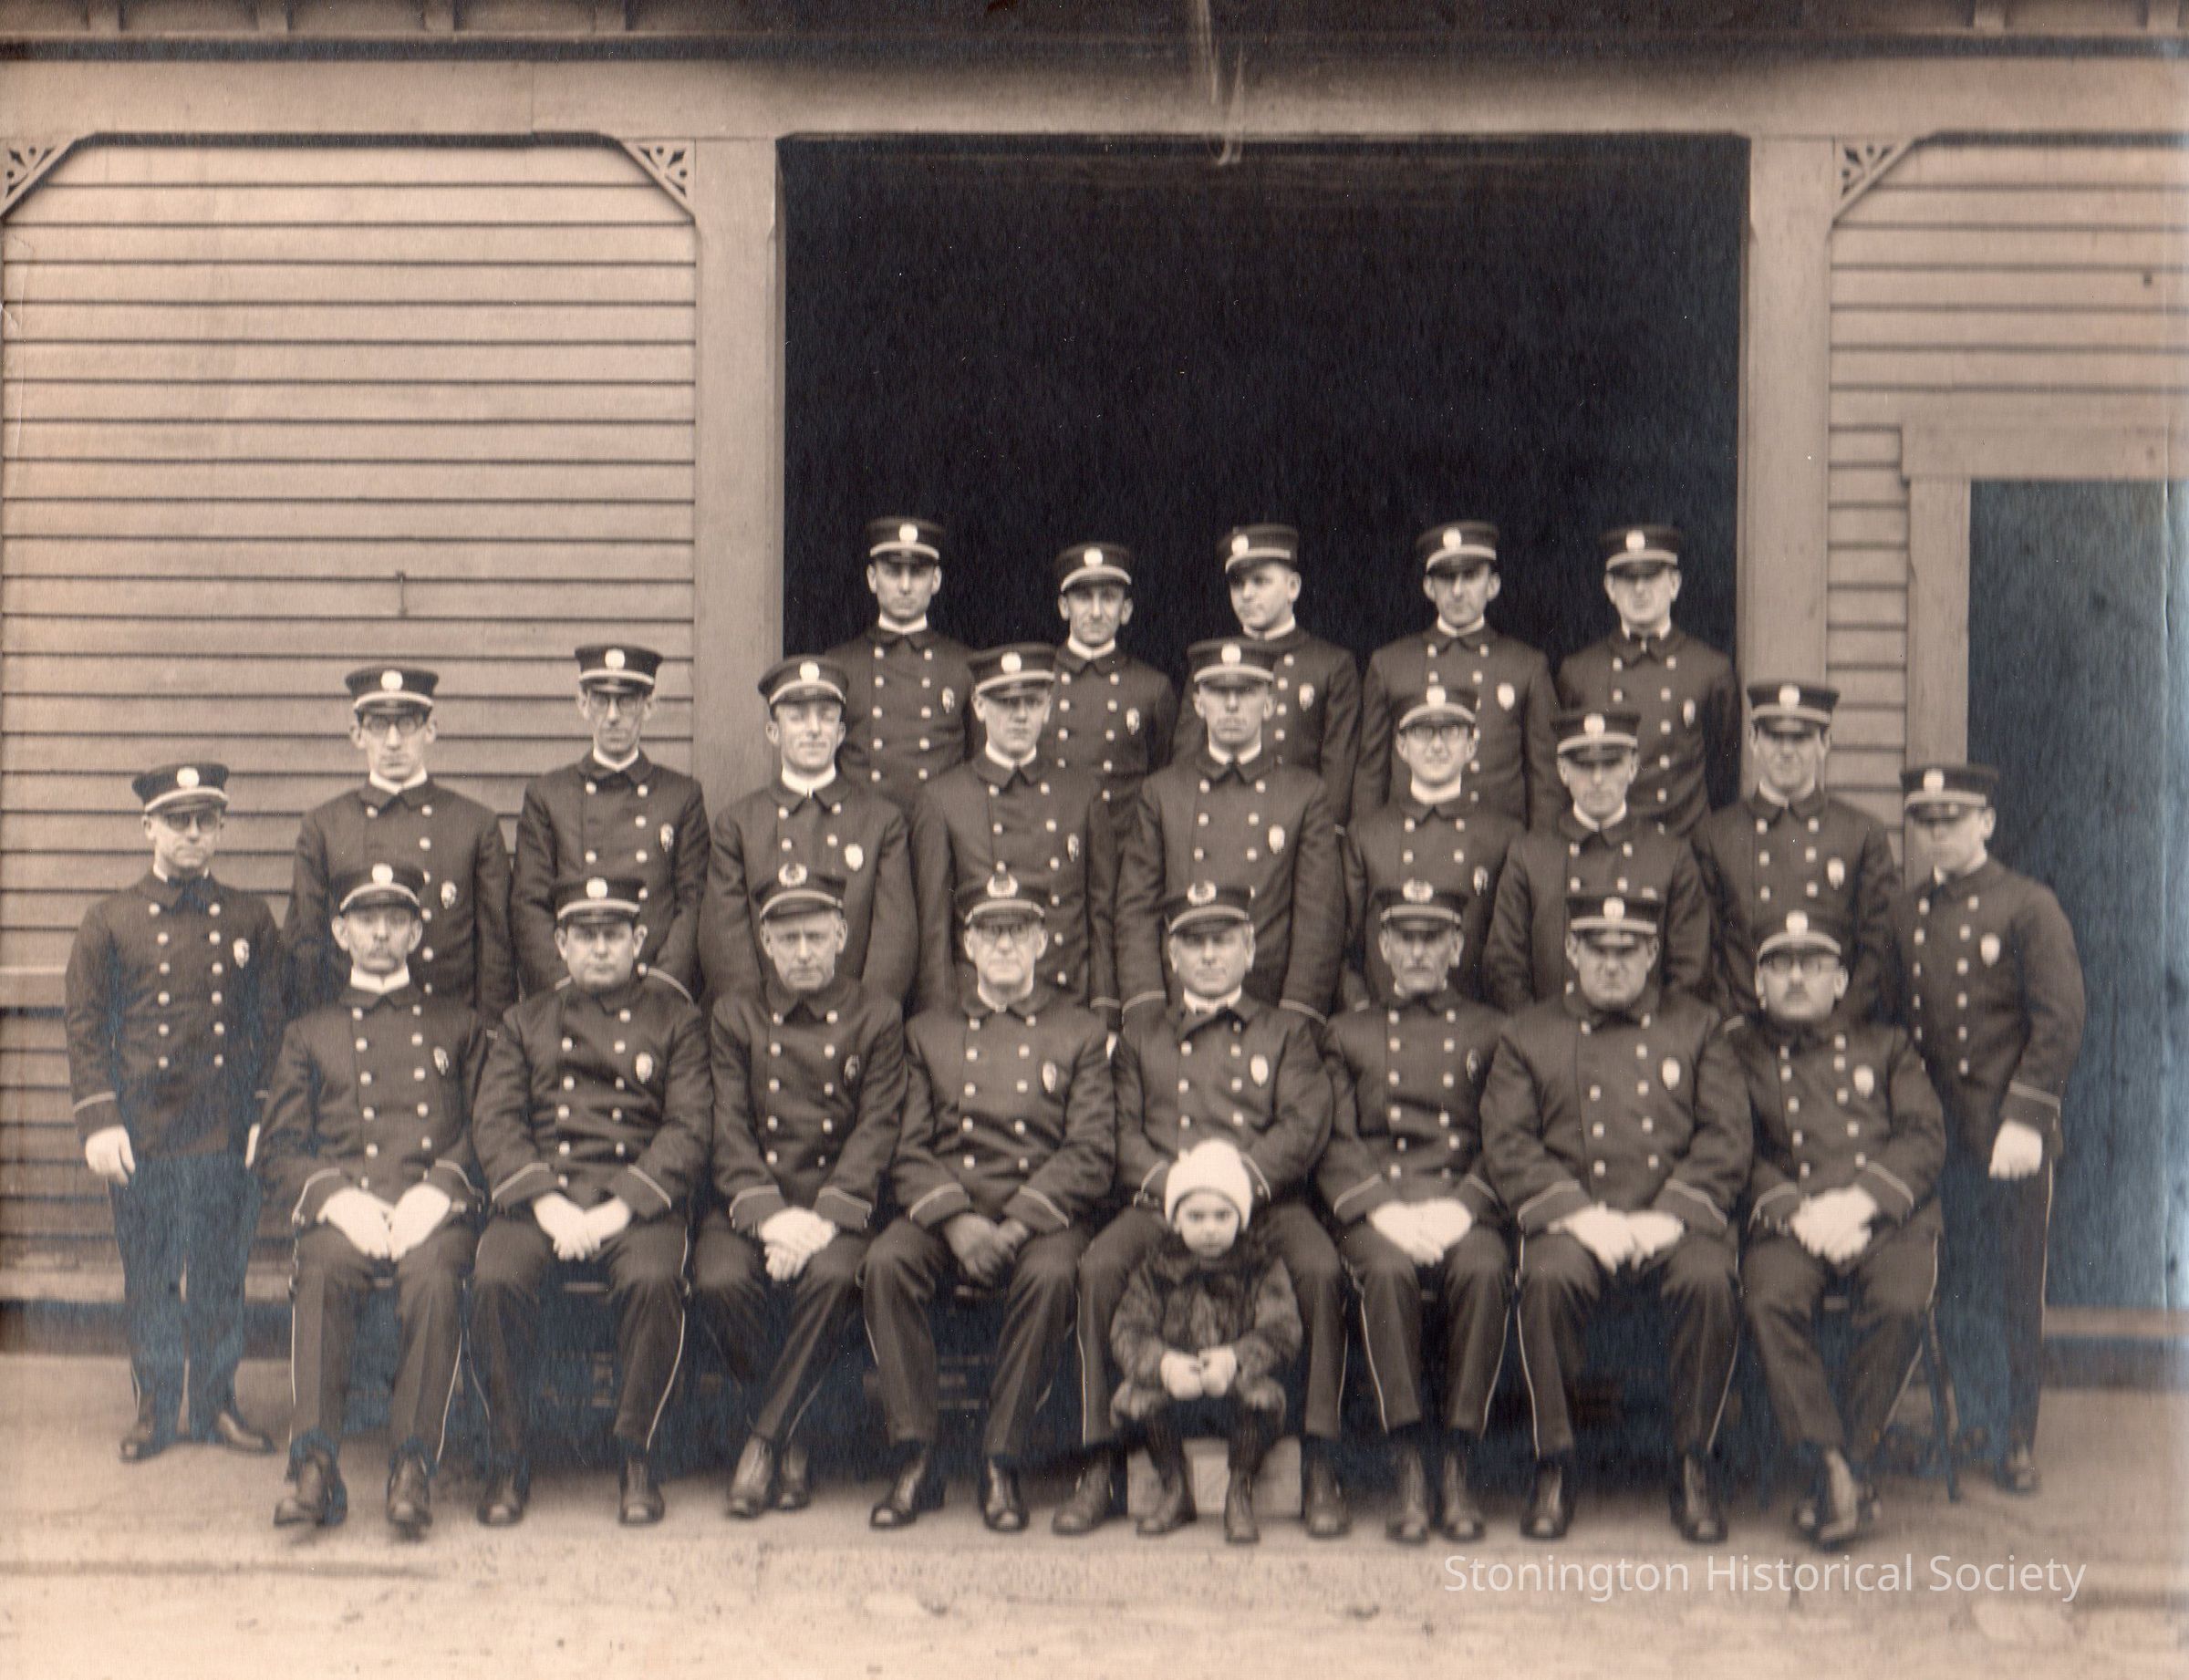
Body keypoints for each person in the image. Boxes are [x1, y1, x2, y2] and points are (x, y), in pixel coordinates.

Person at [1055, 884, 1349, 1540]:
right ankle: (1102, 1460)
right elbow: (1120, 1130)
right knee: (1100, 1267)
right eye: (1194, 943)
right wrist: (1182, 1192)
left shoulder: (1286, 1032)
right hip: (1167, 1205)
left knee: (1320, 1269)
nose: (1210, 956)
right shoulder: (1141, 1036)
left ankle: (1320, 1461)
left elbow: (1304, 1124)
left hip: (1261, 1203)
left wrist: (1231, 1189)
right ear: (1172, 955)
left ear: (1250, 949)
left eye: (1223, 942)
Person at [1481, 890, 1750, 1545]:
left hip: (1671, 1219)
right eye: (1596, 949)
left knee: (1709, 1281)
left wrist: (1671, 1215)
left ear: (1652, 953)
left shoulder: (1698, 1028)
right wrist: (1579, 1216)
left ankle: (1693, 1463)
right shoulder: (1528, 1034)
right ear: (1571, 952)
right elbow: (1509, 1143)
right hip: (1578, 1221)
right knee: (1546, 1281)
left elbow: (1727, 1136)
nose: (1610, 963)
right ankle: (1555, 1462)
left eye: (1626, 950)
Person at [861, 871, 1115, 1533]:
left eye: (1018, 932)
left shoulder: (1080, 1032)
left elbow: (1090, 1149)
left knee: (1054, 1275)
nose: (1004, 945)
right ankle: (916, 1455)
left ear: (1042, 942)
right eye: (990, 933)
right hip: (952, 1210)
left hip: (1040, 1216)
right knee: (887, 1263)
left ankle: (1001, 1458)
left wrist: (1015, 1226)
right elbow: (905, 1145)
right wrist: (956, 1222)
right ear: (968, 945)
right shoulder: (929, 1032)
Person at [468, 875, 711, 1527]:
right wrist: (547, 1205)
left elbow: (688, 1128)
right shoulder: (525, 1021)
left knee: (655, 1280)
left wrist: (618, 1208)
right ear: (561, 944)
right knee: (494, 1279)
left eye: (613, 935)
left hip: (633, 1200)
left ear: (639, 940)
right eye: (585, 936)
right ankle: (508, 1456)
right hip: (543, 1197)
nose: (600, 949)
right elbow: (496, 1122)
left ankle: (637, 1455)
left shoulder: (677, 1021)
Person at [256, 862, 489, 1534]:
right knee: (322, 1270)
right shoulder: (309, 1032)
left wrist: (439, 1190)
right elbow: (280, 1148)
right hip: (350, 1210)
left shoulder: (459, 1025)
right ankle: (314, 1463)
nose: (381, 933)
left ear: (416, 933)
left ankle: (413, 1464)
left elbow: (490, 1129)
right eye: (366, 920)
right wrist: (337, 1200)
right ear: (340, 932)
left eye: (396, 920)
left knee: (437, 1279)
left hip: (431, 1211)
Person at [64, 762, 281, 1463]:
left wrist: (261, 1115)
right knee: (150, 1273)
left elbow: (269, 1027)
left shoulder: (249, 918)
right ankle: (156, 1407)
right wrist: (100, 1120)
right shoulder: (110, 920)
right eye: (177, 820)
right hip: (144, 1131)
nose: (192, 833)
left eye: (205, 821)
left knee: (220, 1272)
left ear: (219, 828)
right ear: (148, 827)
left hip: (224, 1129)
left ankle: (216, 1404)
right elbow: (86, 1028)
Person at [1889, 763, 2084, 1496]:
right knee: (1954, 1286)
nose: (1939, 832)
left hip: (2007, 1138)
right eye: (1927, 821)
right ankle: (1972, 1416)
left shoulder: (2029, 906)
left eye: (1954, 818)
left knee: (2012, 1286)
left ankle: (2016, 1435)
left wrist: (2027, 1117)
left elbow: (2060, 1019)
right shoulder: (1905, 913)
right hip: (1935, 1137)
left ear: (1987, 823)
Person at [690, 869, 907, 1519]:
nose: (804, 952)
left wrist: (821, 1222)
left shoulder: (876, 1015)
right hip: (756, 1202)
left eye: (816, 936)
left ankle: (765, 1442)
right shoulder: (735, 1015)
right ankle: (797, 1435)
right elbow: (726, 1127)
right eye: (789, 940)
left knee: (834, 1279)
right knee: (720, 1279)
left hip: (837, 1209)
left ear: (841, 935)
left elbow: (876, 1129)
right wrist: (771, 1219)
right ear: (765, 943)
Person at [1729, 908, 1945, 1550]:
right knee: (1768, 1301)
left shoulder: (1888, 1046)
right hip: (1792, 1219)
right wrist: (1798, 1210)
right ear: (1759, 983)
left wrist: (1859, 1203)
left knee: (1901, 1302)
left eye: (1814, 965)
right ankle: (1829, 1459)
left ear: (1841, 980)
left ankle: (1849, 1459)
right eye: (1780, 966)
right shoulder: (1736, 1052)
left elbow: (1924, 1135)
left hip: (1880, 1216)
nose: (1797, 979)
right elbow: (1733, 1146)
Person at [1319, 883, 1509, 1545]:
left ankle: (1458, 1461)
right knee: (1386, 1273)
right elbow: (1336, 1139)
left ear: (1457, 947)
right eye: (1406, 938)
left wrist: (1465, 1207)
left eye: (1434, 939)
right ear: (1384, 946)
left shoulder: (1491, 1030)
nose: (1420, 952)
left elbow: (1507, 1136)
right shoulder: (1348, 1033)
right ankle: (1406, 1463)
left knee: (1485, 1271)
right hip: (1384, 1208)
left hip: (1461, 1204)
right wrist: (1384, 1211)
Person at [1117, 638, 1343, 1024]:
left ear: (1270, 704)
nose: (1232, 705)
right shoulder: (1163, 793)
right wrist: (1147, 1014)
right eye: (1219, 692)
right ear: (1198, 703)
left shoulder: (1304, 794)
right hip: (1178, 1014)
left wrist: (1296, 1018)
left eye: (1247, 692)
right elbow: (1136, 910)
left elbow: (1318, 919)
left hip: (1267, 1012)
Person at [285, 666, 515, 1021]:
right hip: (349, 1029)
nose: (393, 742)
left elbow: (496, 949)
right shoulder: (325, 826)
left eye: (406, 724)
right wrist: (315, 1034)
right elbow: (305, 945)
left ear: (430, 730)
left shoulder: (474, 824)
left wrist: (489, 1034)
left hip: (447, 1029)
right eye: (378, 725)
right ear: (357, 734)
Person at [909, 643, 1118, 1021]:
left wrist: (1104, 1011)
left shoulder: (1081, 794)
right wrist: (942, 1022)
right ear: (978, 705)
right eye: (1006, 703)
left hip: (1065, 1004)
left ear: (1048, 707)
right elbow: (934, 930)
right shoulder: (942, 799)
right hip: (976, 1011)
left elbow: (1100, 915)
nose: (1020, 715)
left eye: (1032, 702)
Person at [1109, 1141, 1302, 1545]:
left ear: (1240, 1219)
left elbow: (1282, 1330)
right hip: (1177, 1395)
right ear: (1176, 1220)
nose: (1210, 1228)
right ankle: (1174, 1487)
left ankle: (1239, 1492)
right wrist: (1164, 1366)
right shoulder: (1156, 1268)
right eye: (1196, 1216)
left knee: (1262, 1400)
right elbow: (1128, 1330)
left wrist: (1235, 1360)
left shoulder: (1261, 1265)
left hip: (1234, 1394)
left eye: (1222, 1215)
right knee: (1137, 1400)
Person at [699, 656, 917, 1008]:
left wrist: (865, 1021)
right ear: (773, 732)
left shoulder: (881, 821)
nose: (814, 729)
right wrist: (755, 1023)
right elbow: (726, 946)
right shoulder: (738, 824)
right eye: (798, 717)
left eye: (826, 717)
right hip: (765, 1024)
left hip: (854, 1022)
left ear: (841, 733)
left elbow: (894, 940)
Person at [1481, 707, 1711, 1013]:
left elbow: (1689, 972)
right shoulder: (1530, 854)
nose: (1598, 779)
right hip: (1551, 1035)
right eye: (1584, 766)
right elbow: (1505, 965)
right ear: (1563, 770)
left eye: (1611, 764)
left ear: (1633, 767)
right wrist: (1536, 1035)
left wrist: (1652, 1035)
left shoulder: (1671, 855)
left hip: (1645, 1036)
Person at [513, 643, 708, 1001]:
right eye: (601, 701)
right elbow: (530, 904)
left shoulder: (681, 796)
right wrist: (564, 987)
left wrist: (663, 985)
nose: (613, 716)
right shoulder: (548, 795)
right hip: (571, 999)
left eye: (627, 701)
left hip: (654, 998)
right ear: (583, 704)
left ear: (649, 706)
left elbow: (693, 902)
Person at [1691, 682, 1898, 1021]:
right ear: (1754, 741)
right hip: (1745, 1029)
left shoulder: (1861, 832)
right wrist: (1732, 1023)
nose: (1786, 751)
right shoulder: (1716, 835)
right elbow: (1704, 948)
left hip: (1835, 1029)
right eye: (1774, 737)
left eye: (1800, 738)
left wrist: (1844, 1023)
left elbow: (1879, 944)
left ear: (1825, 743)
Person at [1354, 521, 1558, 829]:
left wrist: (1542, 849)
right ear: (1429, 587)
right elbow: (1371, 773)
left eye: (1471, 576)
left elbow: (1546, 777)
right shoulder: (1390, 664)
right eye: (1447, 578)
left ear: (1493, 585)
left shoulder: (1525, 665)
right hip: (1408, 841)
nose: (1458, 591)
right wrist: (1363, 845)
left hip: (1498, 842)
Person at [1341, 679, 1521, 1008]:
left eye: (1451, 732)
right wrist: (1362, 1009)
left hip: (1471, 1022)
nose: (1437, 746)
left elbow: (1508, 954)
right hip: (1383, 1018)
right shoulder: (1367, 835)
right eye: (1423, 732)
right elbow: (1343, 945)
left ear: (1471, 745)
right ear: (1401, 745)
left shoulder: (1502, 836)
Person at [1172, 524, 1359, 831]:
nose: (1247, 594)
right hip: (1219, 823)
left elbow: (1337, 766)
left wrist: (1325, 833)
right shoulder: (1211, 663)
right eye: (1238, 584)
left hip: (1295, 825)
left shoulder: (1330, 663)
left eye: (1260, 581)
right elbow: (1187, 755)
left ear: (1293, 587)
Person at [1556, 525, 1738, 839]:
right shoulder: (1579, 672)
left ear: (1674, 584)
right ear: (1610, 588)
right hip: (1607, 843)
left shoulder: (1710, 668)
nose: (1639, 589)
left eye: (1651, 577)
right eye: (1628, 579)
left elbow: (1725, 768)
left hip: (1684, 839)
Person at [824, 516, 977, 814]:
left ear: (936, 580)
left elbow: (978, 766)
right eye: (893, 572)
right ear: (872, 578)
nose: (905, 586)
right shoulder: (840, 664)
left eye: (917, 573)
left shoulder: (964, 665)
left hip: (936, 828)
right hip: (863, 828)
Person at [1042, 541, 1177, 814]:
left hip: (1121, 836)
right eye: (1083, 598)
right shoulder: (1040, 679)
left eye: (1108, 598)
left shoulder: (1152, 688)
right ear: (1064, 607)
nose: (1096, 612)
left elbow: (1162, 778)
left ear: (1125, 610)